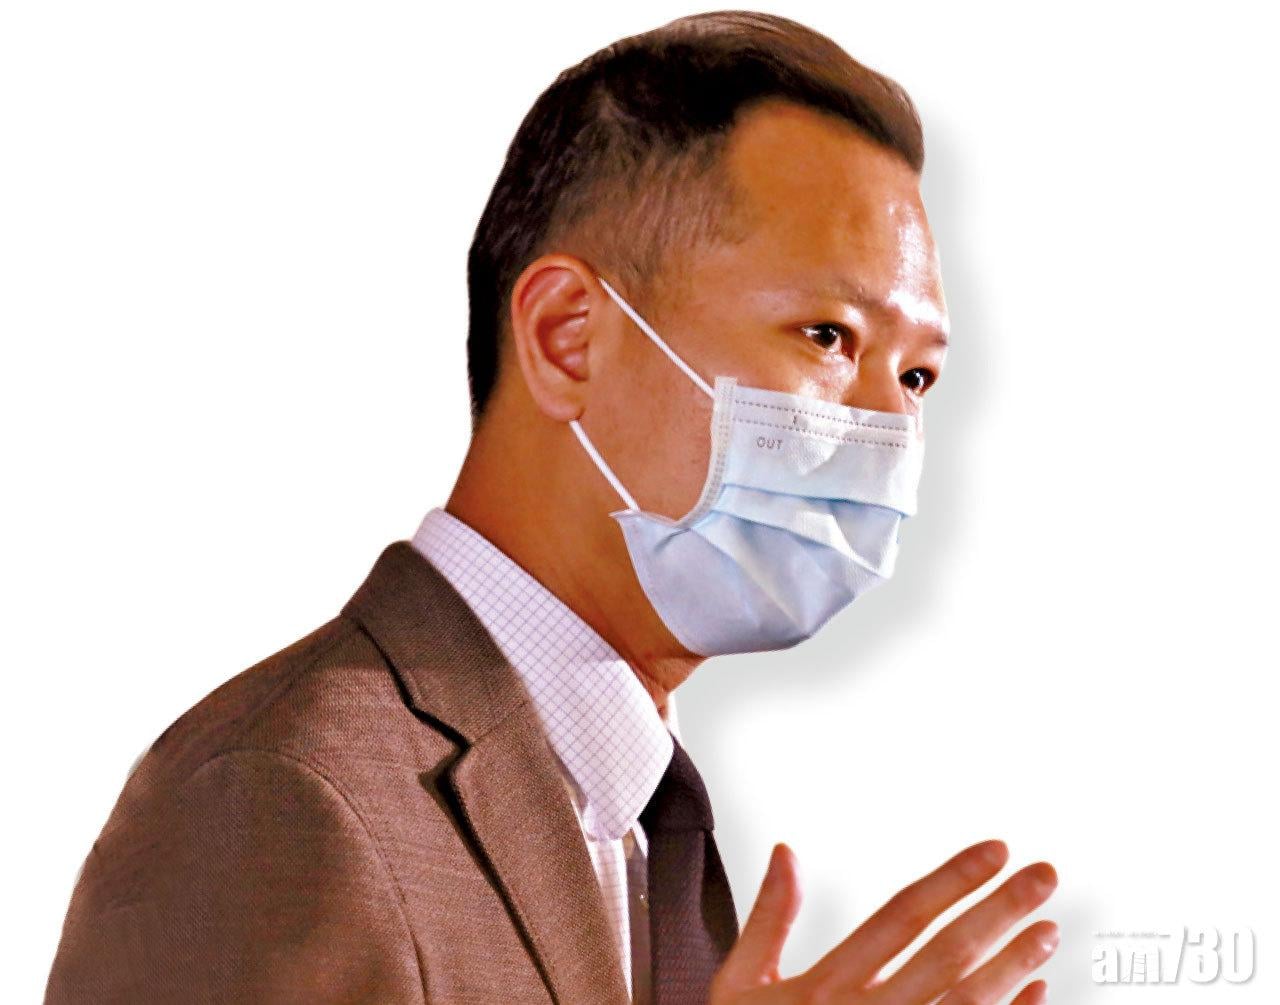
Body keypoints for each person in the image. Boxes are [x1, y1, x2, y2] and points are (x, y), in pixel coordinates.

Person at [44, 10, 1059, 1004]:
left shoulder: (628, 814)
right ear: (569, 337)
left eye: (917, 377)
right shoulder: (277, 796)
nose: (889, 425)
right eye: (828, 336)